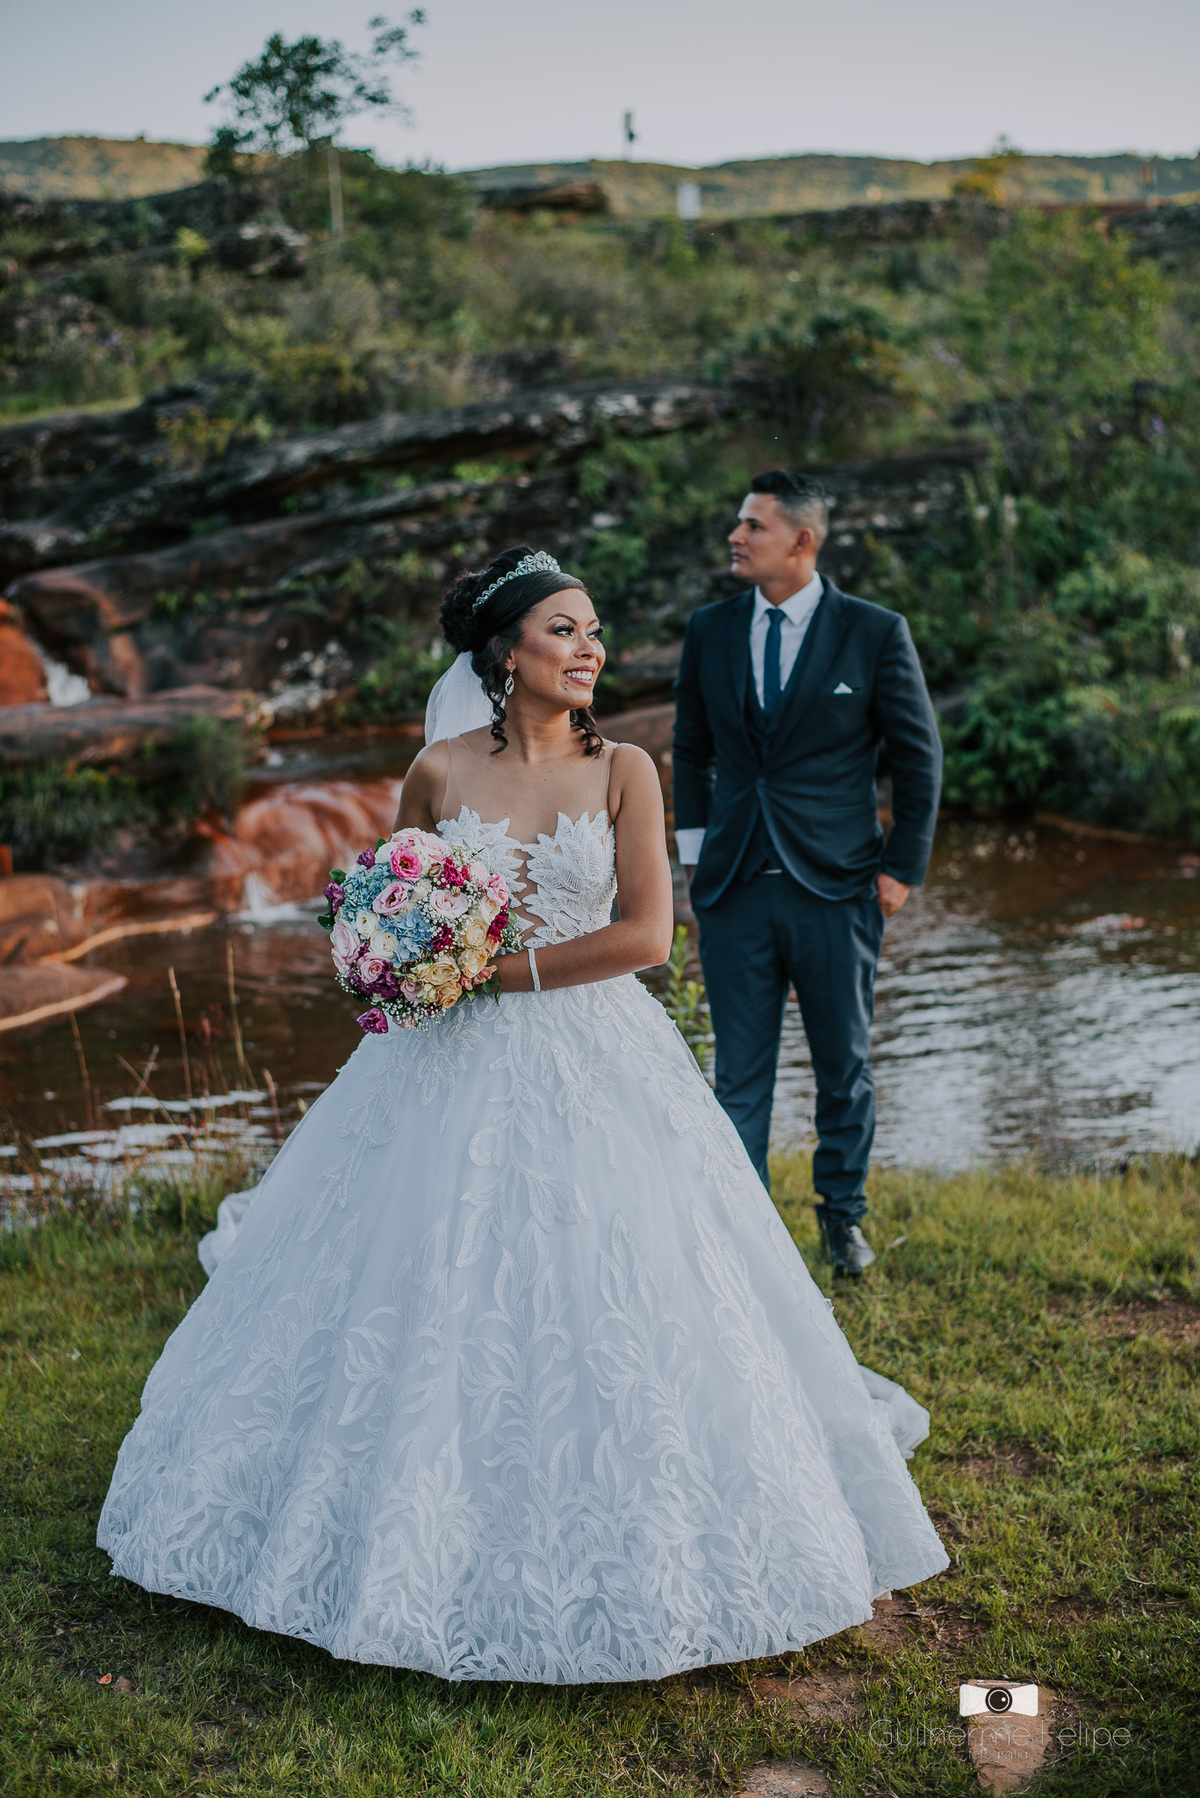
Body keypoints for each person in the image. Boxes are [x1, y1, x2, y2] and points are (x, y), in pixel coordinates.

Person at [97, 544, 947, 1684]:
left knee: (627, 1277)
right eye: (564, 629)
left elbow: (647, 934)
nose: (589, 647)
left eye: (593, 629)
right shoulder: (437, 772)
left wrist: (492, 975)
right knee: (420, 1273)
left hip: (594, 1052)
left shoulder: (627, 770)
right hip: (441, 1065)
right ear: (506, 654)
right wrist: (396, 962)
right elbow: (385, 902)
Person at [673, 472, 942, 1276]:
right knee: (739, 1074)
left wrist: (901, 869)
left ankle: (843, 1221)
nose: (736, 536)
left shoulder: (874, 631)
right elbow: (691, 748)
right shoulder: (711, 629)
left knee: (843, 1066)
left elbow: (918, 758)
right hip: (733, 887)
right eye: (738, 522)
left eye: (752, 525)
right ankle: (748, 1240)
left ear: (802, 539)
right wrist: (696, 858)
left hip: (839, 885)